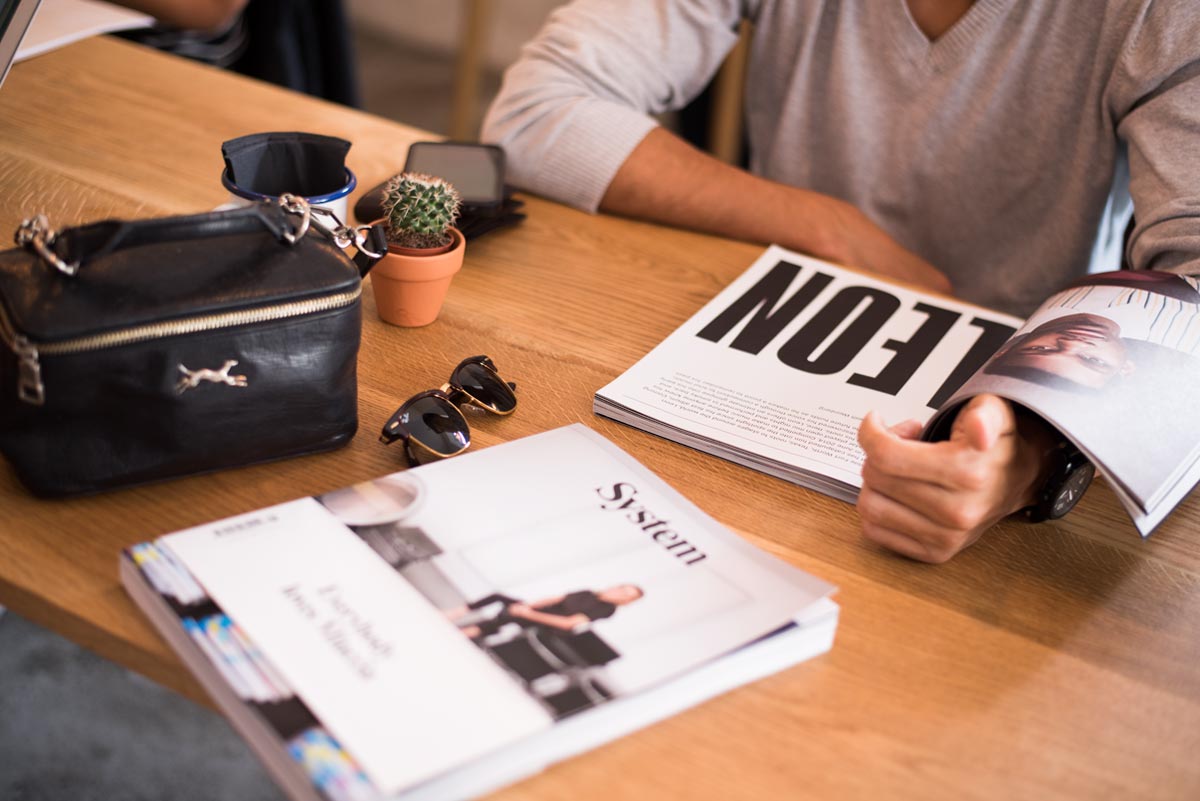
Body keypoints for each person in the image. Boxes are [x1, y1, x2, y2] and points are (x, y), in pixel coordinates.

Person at [482, 0, 1200, 563]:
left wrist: (1035, 454)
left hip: (1012, 432)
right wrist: (825, 226)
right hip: (763, 389)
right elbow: (538, 112)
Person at [448, 584, 645, 641]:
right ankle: (457, 613)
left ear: (626, 601)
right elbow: (555, 599)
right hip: (537, 612)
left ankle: (470, 632)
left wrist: (528, 614)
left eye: (625, 594)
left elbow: (568, 624)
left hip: (548, 625)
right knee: (500, 597)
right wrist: (529, 606)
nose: (619, 592)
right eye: (622, 588)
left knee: (511, 615)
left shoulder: (606, 610)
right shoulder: (588, 592)